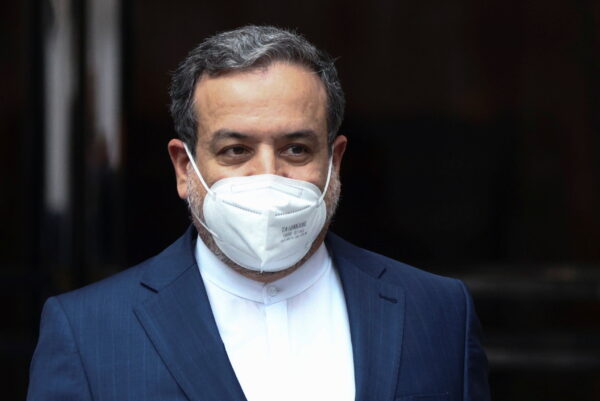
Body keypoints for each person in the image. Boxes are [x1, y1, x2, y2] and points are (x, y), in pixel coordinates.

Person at [27, 25, 490, 401]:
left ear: (335, 161)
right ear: (185, 168)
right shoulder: (88, 332)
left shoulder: (437, 311)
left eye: (296, 148)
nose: (267, 175)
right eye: (235, 150)